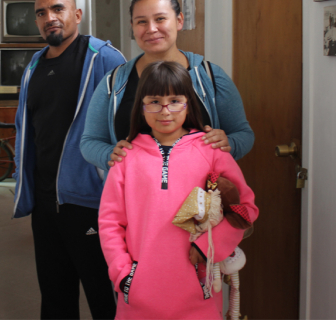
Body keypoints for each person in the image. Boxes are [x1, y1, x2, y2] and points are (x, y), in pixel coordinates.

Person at [98, 61, 258, 319]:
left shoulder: (211, 151)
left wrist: (209, 247)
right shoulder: (126, 157)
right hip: (138, 297)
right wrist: (123, 277)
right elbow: (110, 222)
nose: (165, 111)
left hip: (199, 295)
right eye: (154, 101)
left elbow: (246, 210)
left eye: (175, 101)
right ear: (141, 106)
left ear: (188, 104)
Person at [12, 0, 126, 319]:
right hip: (47, 205)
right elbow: (27, 128)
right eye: (41, 13)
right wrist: (24, 179)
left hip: (90, 203)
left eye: (58, 9)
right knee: (55, 298)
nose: (50, 18)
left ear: (76, 15)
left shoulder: (103, 58)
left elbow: (127, 128)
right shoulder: (34, 65)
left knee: (105, 299)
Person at [80, 0, 254, 174]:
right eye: (141, 22)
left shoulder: (210, 77)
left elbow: (243, 134)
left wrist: (229, 144)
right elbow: (90, 141)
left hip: (199, 197)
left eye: (160, 19)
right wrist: (111, 155)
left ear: (179, 21)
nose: (151, 29)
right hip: (134, 197)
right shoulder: (114, 82)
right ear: (132, 27)